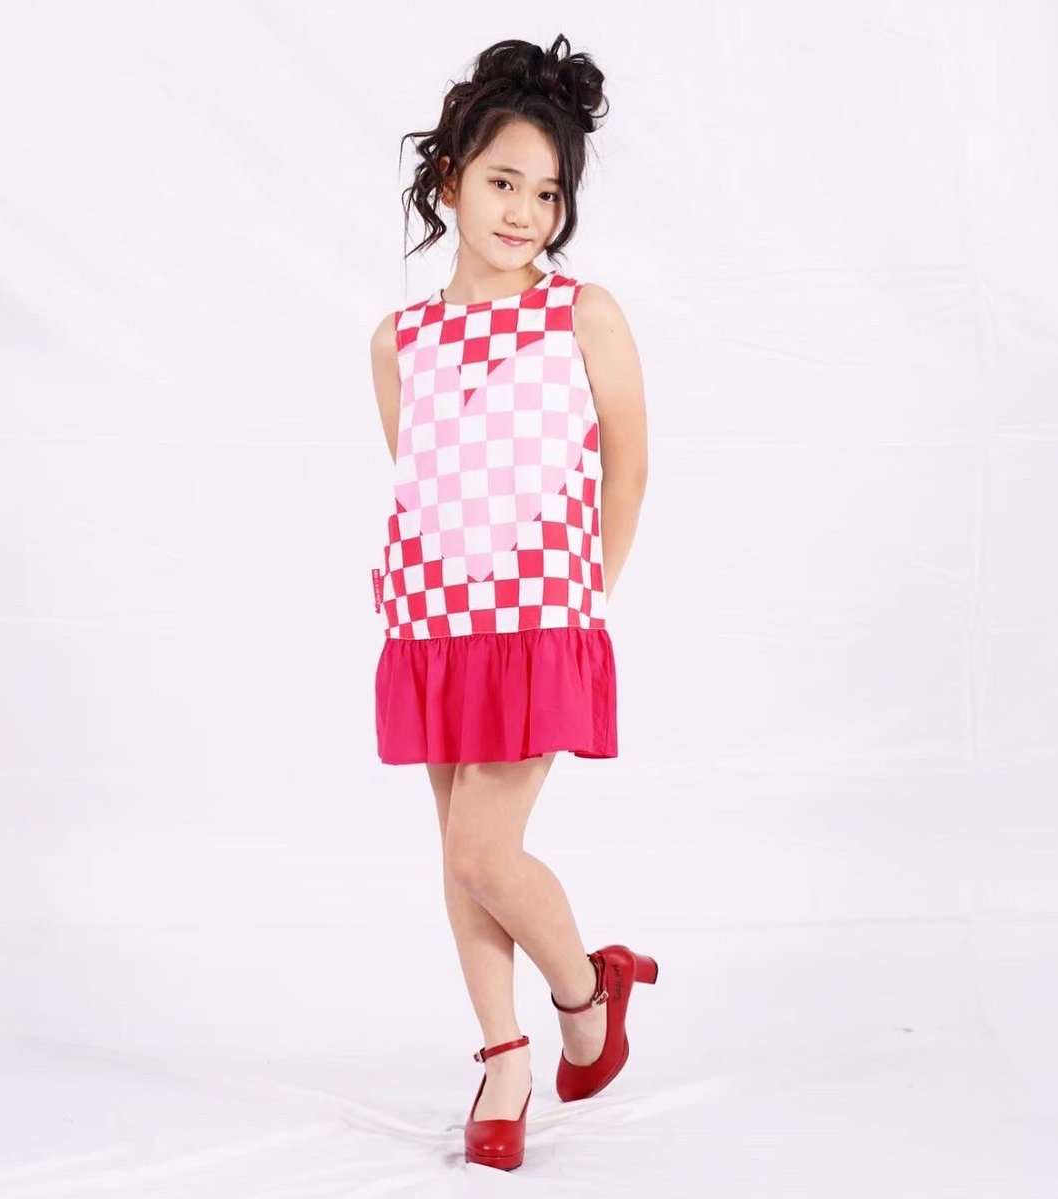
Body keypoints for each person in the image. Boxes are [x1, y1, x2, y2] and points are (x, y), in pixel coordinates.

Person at [368, 34, 654, 1172]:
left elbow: (627, 466)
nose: (527, 212)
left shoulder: (584, 314)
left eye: (548, 192)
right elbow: (426, 479)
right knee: (460, 855)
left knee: (488, 853)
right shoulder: (399, 340)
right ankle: (504, 1055)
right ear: (449, 180)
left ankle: (587, 993)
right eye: (503, 182)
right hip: (434, 618)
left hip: (541, 620)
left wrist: (584, 597)